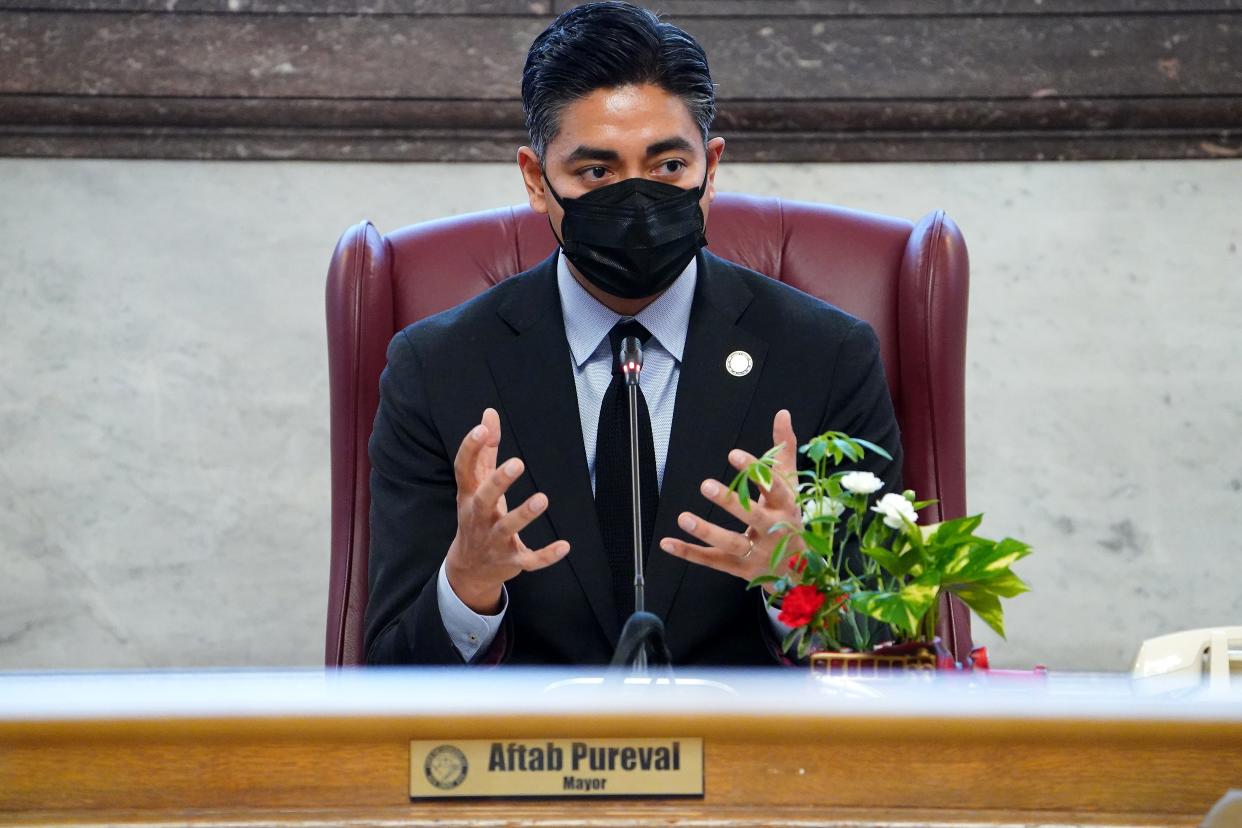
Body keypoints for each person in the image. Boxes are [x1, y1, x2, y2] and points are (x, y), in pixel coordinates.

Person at [364, 1, 902, 666]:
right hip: (531, 760)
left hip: (749, 757)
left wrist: (794, 582)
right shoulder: (438, 368)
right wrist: (466, 585)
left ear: (711, 168)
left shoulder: (825, 358)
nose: (638, 200)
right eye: (597, 173)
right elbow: (387, 674)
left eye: (668, 167)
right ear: (537, 180)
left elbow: (889, 657)